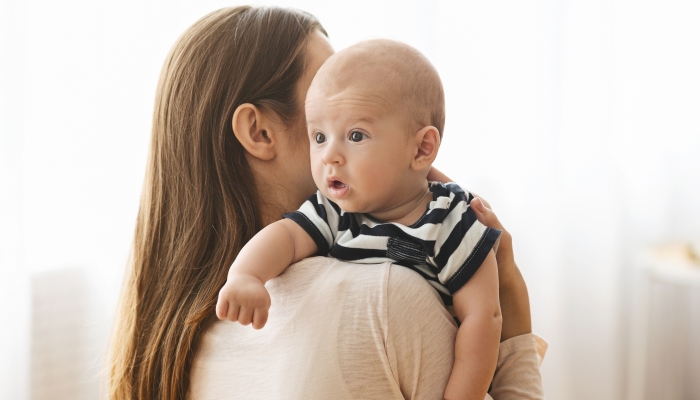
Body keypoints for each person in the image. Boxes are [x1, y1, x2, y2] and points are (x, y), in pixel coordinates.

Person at [106, 6, 546, 400]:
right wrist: (513, 302)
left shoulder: (167, 338)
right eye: (322, 105)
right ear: (259, 133)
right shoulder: (385, 298)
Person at [216, 39, 503, 400]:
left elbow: (483, 318)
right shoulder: (336, 211)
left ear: (422, 149)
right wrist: (246, 276)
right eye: (319, 137)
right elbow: (285, 237)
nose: (330, 156)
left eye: (355, 135)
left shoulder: (449, 218)